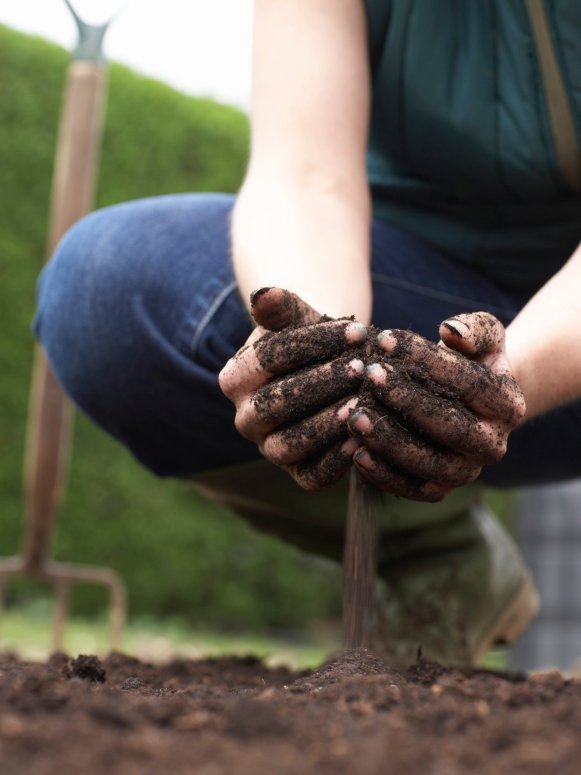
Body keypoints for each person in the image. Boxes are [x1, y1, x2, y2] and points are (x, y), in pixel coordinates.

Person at [34, 0, 581, 666]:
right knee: (109, 280)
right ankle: (436, 557)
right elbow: (306, 175)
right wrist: (323, 355)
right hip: (421, 289)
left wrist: (508, 375)